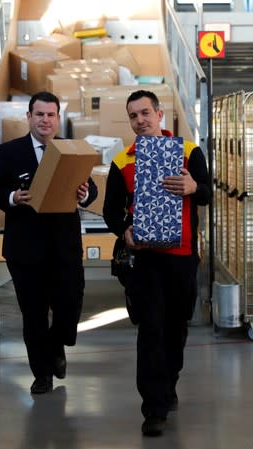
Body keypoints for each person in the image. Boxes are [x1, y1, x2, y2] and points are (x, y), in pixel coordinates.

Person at [103, 90, 211, 437]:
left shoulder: (190, 151)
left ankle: (169, 379)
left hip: (182, 258)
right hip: (145, 260)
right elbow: (110, 212)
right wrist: (125, 230)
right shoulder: (122, 162)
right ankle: (154, 409)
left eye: (145, 113)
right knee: (150, 330)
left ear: (160, 114)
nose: (140, 120)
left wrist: (194, 185)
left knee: (177, 327)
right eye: (133, 116)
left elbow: (208, 192)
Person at [0, 91, 97, 395]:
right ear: (29, 117)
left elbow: (92, 190)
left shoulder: (71, 150)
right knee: (33, 314)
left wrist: (85, 193)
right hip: (25, 249)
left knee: (70, 303)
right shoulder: (9, 152)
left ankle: (57, 344)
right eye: (39, 114)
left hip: (64, 246)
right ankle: (42, 374)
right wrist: (12, 198)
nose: (45, 120)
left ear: (58, 118)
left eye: (51, 115)